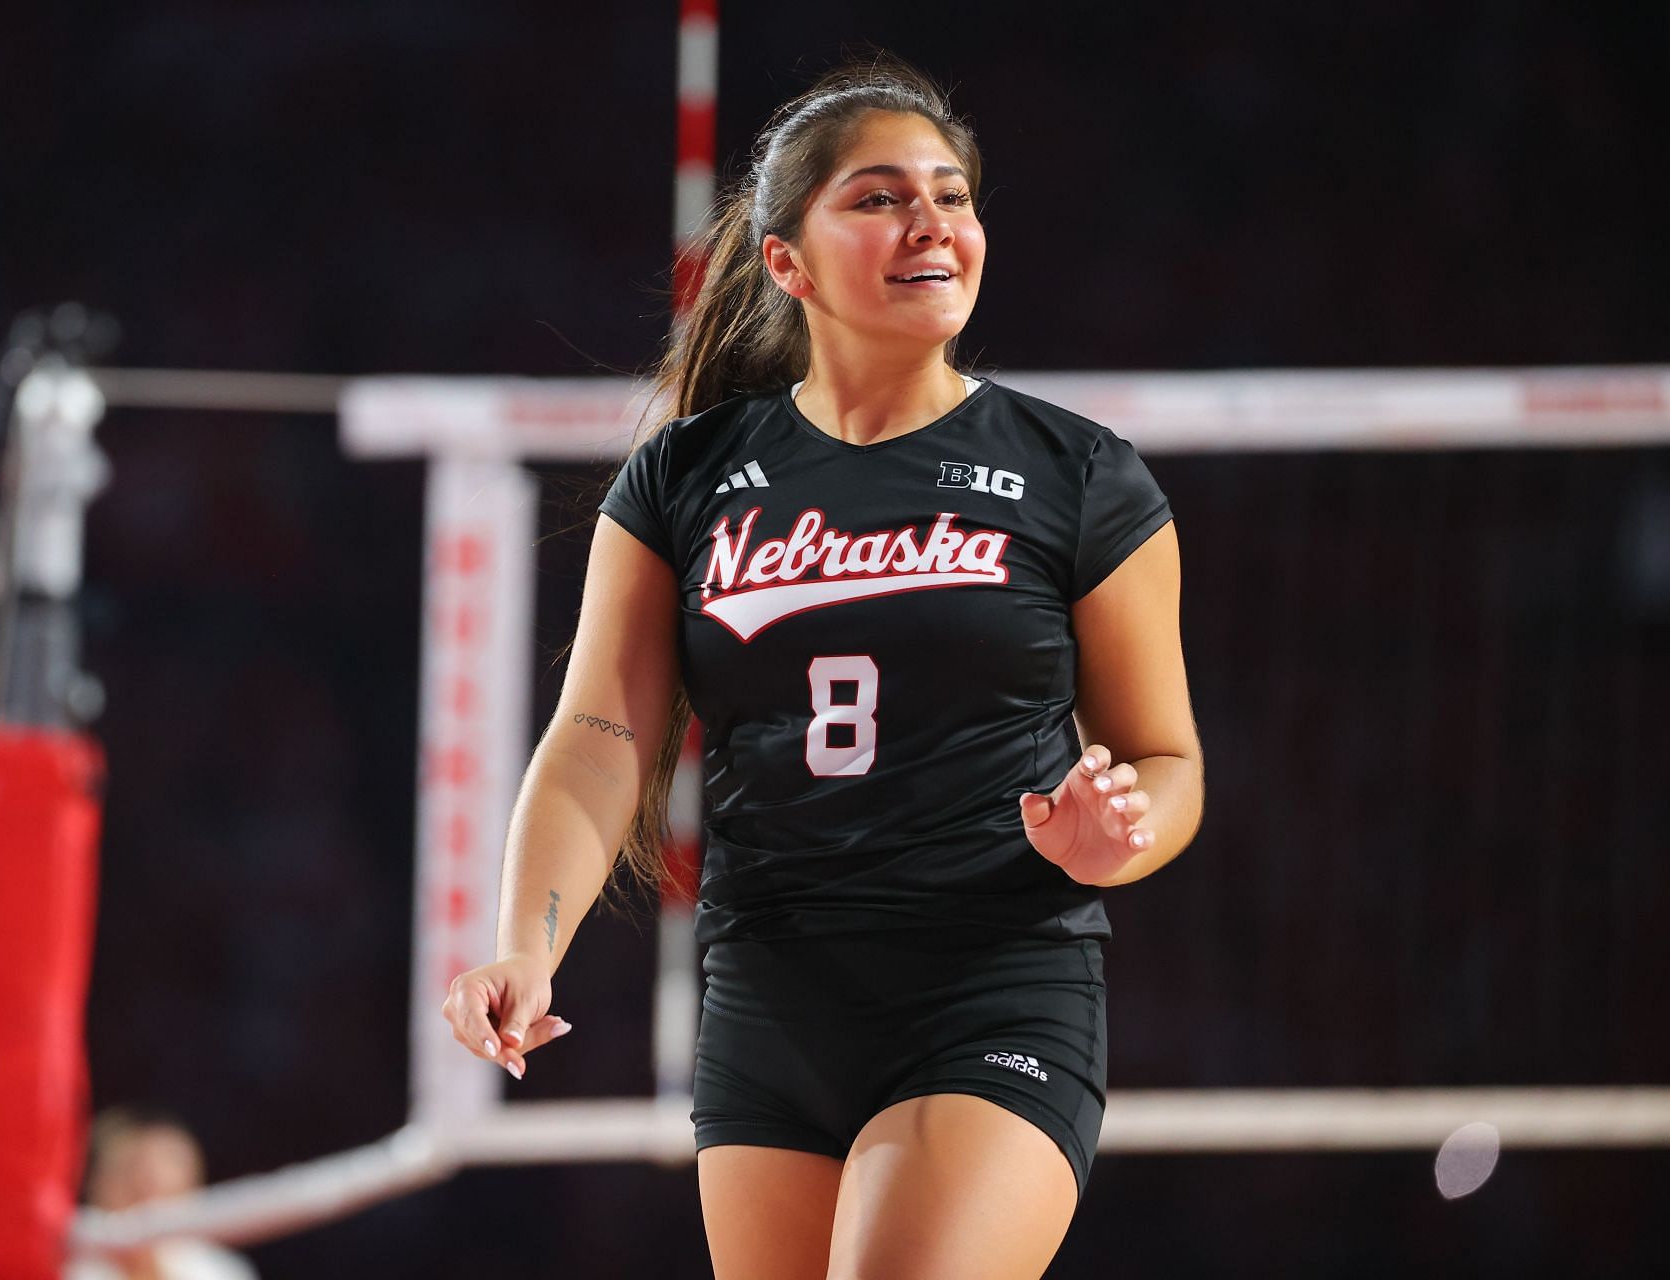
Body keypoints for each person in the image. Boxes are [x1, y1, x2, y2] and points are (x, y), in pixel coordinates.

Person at [441, 55, 1203, 1279]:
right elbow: (600, 734)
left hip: (991, 977)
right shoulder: (687, 477)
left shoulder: (1079, 474)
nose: (933, 224)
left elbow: (1166, 759)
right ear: (787, 262)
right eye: (881, 197)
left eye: (952, 196)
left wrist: (1124, 833)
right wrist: (526, 943)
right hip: (770, 998)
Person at [64, 1106, 258, 1280]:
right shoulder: (62, 1267)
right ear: (94, 1182)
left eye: (164, 1192)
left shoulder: (221, 1272)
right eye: (132, 1185)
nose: (147, 1210)